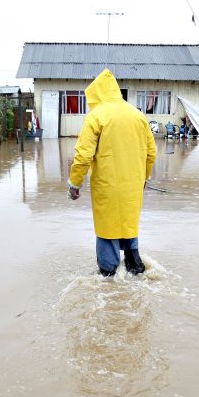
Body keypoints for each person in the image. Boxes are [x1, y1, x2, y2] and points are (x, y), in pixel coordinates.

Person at [68, 69, 157, 277]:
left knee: (108, 228)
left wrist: (74, 183)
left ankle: (108, 275)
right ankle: (134, 266)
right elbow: (151, 153)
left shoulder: (96, 117)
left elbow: (83, 155)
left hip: (107, 187)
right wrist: (144, 177)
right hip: (133, 186)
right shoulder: (138, 116)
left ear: (97, 93)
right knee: (128, 223)